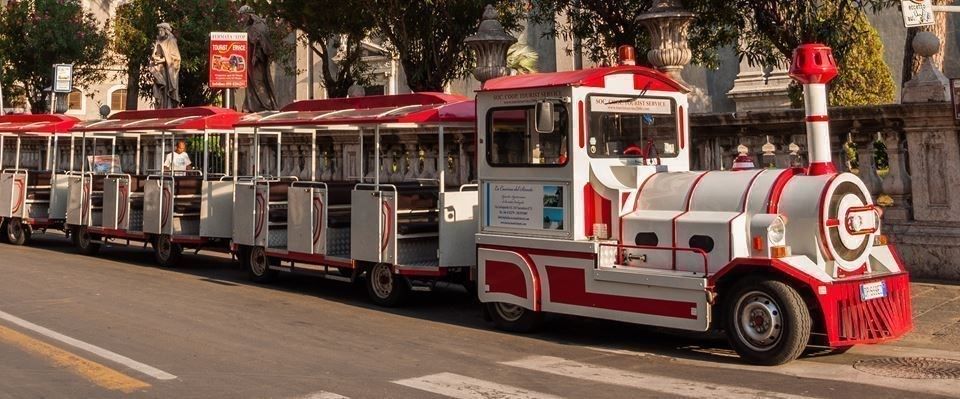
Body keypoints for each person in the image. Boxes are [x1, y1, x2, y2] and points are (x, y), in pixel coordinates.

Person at [238, 5, 278, 112]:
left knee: (258, 82)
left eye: (242, 16)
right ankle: (251, 106)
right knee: (251, 84)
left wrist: (257, 52)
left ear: (248, 15)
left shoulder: (259, 25)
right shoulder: (249, 27)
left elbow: (263, 42)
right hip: (248, 60)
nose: (241, 19)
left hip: (257, 61)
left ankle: (266, 105)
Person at [150, 23, 181, 109]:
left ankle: (169, 106)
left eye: (161, 30)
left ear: (165, 30)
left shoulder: (171, 41)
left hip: (168, 71)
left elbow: (176, 57)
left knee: (167, 89)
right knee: (159, 89)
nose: (159, 32)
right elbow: (155, 54)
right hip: (159, 69)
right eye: (159, 31)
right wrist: (155, 59)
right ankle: (161, 106)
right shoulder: (158, 41)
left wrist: (163, 60)